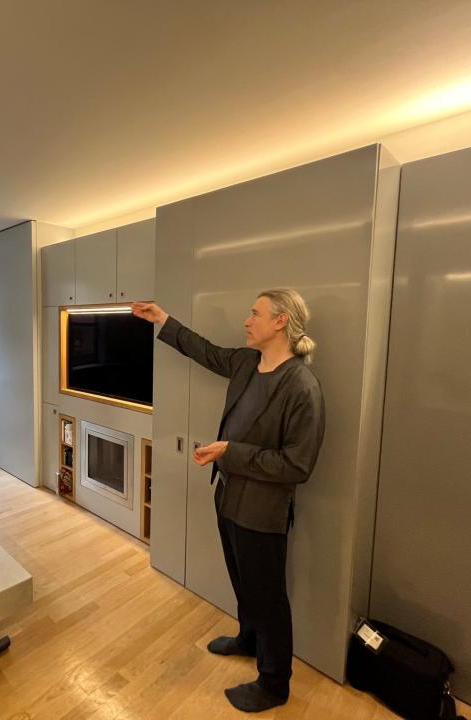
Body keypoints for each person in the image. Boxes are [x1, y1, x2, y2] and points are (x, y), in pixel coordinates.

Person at [131, 289, 325, 713]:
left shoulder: (302, 387)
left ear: (280, 322)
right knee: (242, 578)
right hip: (228, 496)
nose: (246, 320)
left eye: (255, 313)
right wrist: (162, 318)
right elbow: (203, 350)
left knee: (268, 595)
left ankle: (275, 684)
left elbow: (297, 465)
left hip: (262, 510)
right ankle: (248, 639)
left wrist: (229, 452)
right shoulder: (245, 363)